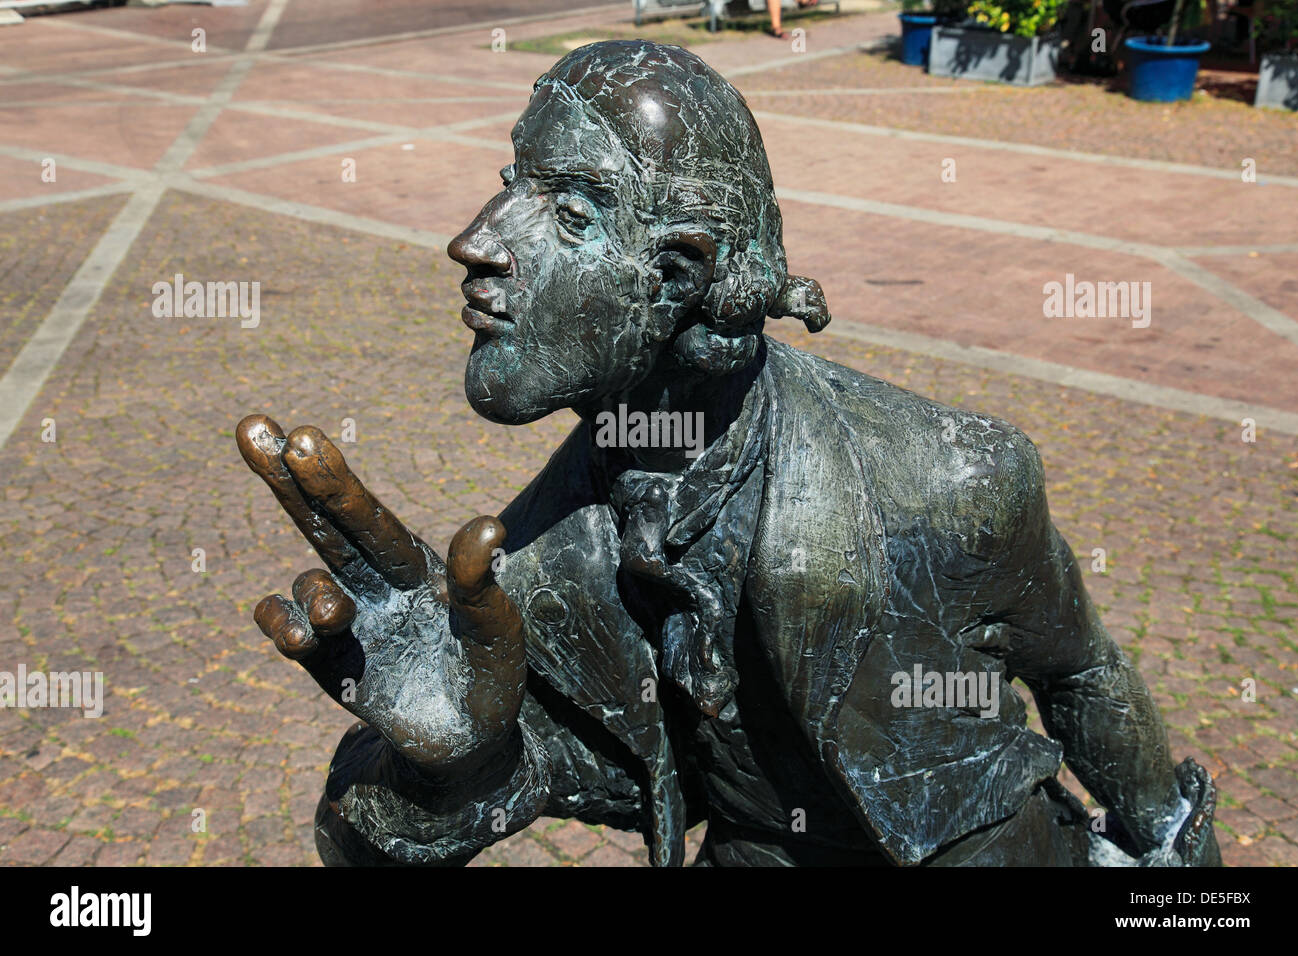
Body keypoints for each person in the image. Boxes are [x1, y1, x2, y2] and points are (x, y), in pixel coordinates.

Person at [237, 40, 1219, 866]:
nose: (475, 242)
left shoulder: (948, 474)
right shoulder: (542, 557)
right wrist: (448, 774)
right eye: (511, 187)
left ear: (679, 274)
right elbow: (380, 832)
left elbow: (1082, 672)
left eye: (568, 212)